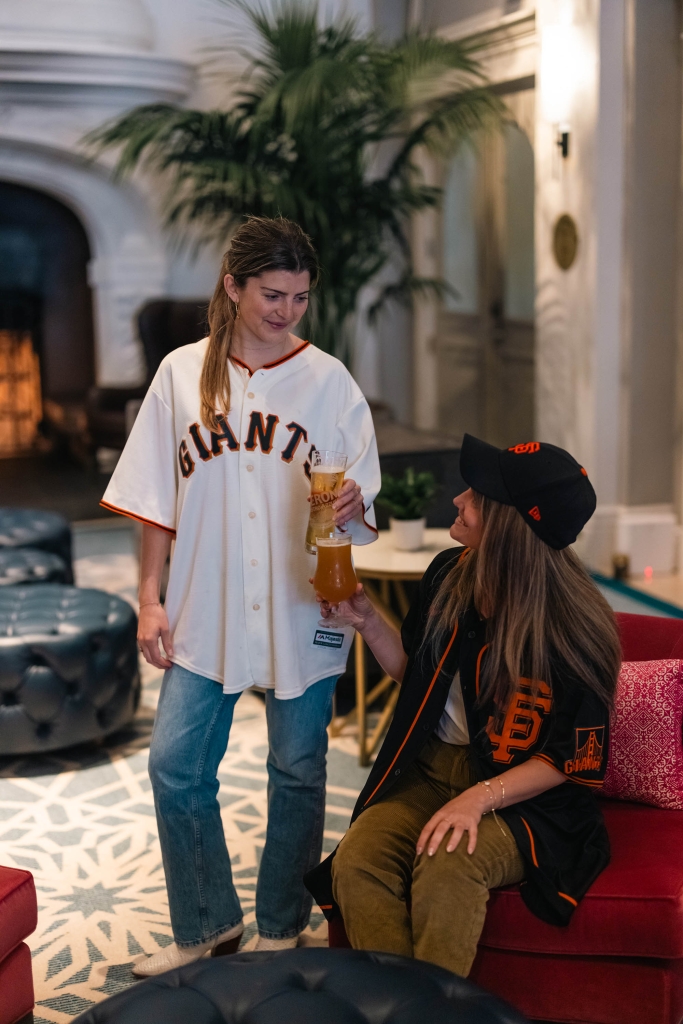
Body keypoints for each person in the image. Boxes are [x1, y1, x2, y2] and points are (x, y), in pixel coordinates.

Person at [101, 216, 380, 975]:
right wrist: (150, 598)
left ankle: (281, 921)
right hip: (205, 603)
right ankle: (207, 925)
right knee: (176, 766)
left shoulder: (329, 381)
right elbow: (154, 500)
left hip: (305, 605)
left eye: (298, 296)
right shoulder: (180, 374)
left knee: (297, 767)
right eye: (270, 293)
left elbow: (361, 489)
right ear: (232, 284)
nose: (285, 309)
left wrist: (356, 501)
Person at [305, 434, 621, 978]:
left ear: (508, 524)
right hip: (429, 773)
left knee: (448, 860)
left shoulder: (575, 629)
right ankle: (405, 1010)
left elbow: (573, 757)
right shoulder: (449, 574)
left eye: (474, 496)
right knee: (357, 861)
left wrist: (480, 797)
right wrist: (367, 620)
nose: (457, 500)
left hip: (526, 796)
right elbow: (419, 681)